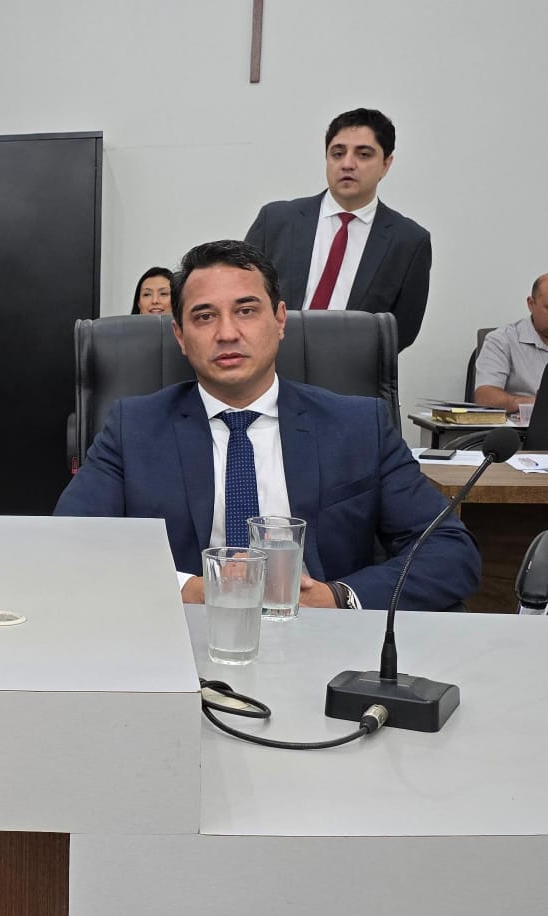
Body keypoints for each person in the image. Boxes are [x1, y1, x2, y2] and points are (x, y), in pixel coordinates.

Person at [55, 240, 479, 611]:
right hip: (182, 639)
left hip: (325, 640)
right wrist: (190, 590)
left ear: (279, 320)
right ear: (180, 336)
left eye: (246, 311)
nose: (227, 333)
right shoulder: (133, 428)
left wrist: (337, 597)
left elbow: (449, 552)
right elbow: (71, 544)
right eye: (204, 317)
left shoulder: (357, 426)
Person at [245, 108, 432, 351]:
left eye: (363, 155)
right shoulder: (277, 220)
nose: (347, 164)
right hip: (272, 360)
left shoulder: (408, 241)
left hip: (352, 366)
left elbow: (402, 330)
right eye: (338, 153)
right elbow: (241, 293)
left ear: (386, 164)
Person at [473, 274, 548, 415]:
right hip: (523, 426)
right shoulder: (502, 340)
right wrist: (534, 404)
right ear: (531, 304)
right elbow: (484, 398)